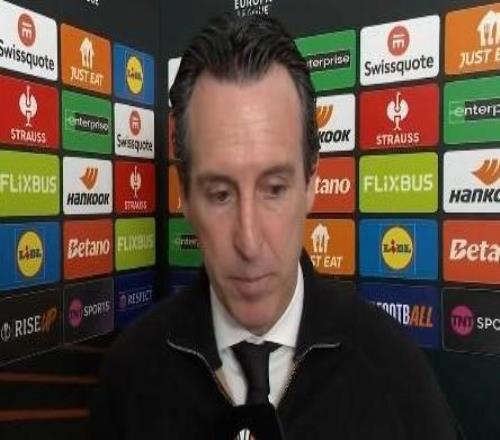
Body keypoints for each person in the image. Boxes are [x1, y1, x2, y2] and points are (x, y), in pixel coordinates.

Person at [90, 13, 461, 439]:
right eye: (220, 194)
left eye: (274, 189)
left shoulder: (395, 371)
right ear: (185, 195)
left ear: (311, 182)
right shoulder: (129, 378)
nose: (249, 242)